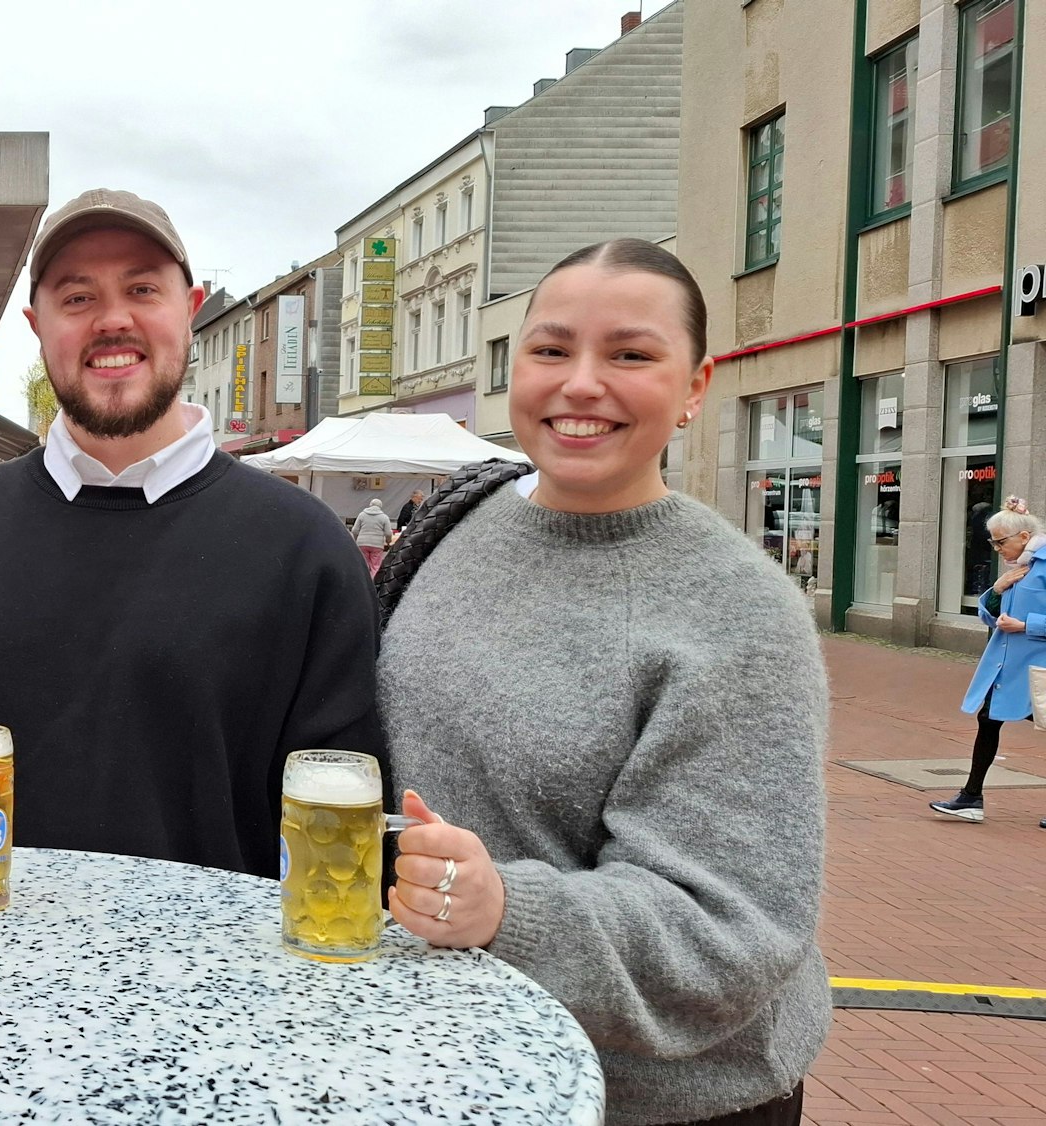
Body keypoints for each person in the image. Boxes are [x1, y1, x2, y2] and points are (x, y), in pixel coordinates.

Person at [0, 188, 383, 879]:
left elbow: (351, 811)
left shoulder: (306, 551)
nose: (112, 320)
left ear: (191, 306)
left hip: (213, 979)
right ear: (37, 324)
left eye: (142, 288)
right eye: (78, 297)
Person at [378, 239, 828, 1125]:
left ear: (696, 387)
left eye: (630, 355)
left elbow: (728, 927)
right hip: (453, 1060)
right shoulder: (454, 525)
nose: (581, 384)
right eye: (551, 350)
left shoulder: (739, 613)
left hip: (654, 1099)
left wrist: (507, 907)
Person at [930, 496, 1046, 827]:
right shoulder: (1017, 567)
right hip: (1009, 667)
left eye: (1000, 541)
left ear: (1023, 537)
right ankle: (971, 797)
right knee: (989, 718)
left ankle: (970, 797)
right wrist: (997, 588)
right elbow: (991, 613)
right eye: (992, 541)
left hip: (1038, 667)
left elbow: (1022, 619)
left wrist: (1026, 626)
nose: (996, 548)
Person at [350, 496, 394, 577]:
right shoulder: (384, 517)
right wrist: (388, 542)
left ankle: (364, 583)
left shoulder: (362, 515)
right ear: (380, 506)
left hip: (362, 544)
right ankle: (374, 584)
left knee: (363, 565)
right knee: (376, 566)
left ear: (370, 505)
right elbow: (388, 533)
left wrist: (357, 539)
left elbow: (355, 530)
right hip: (377, 545)